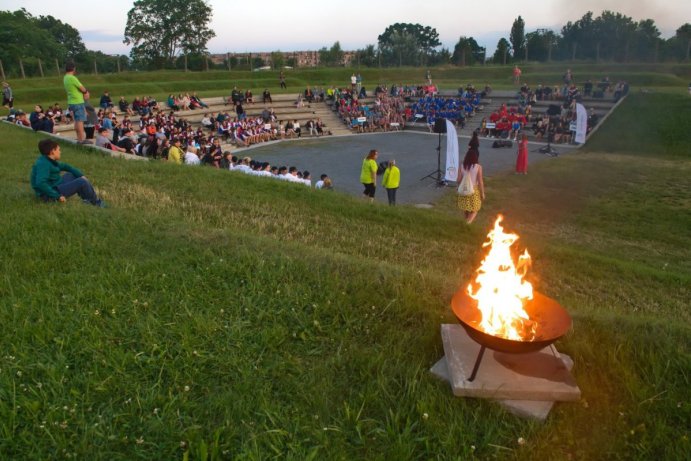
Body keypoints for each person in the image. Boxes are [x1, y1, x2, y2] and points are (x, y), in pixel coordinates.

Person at [30, 139, 104, 206]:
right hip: (48, 195)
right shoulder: (43, 164)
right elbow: (40, 183)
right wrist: (57, 196)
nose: (60, 152)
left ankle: (88, 199)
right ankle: (96, 203)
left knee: (72, 175)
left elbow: (66, 167)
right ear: (52, 151)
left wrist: (81, 175)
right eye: (58, 150)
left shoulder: (49, 160)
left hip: (54, 186)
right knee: (82, 182)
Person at [63, 62, 91, 144]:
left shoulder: (65, 77)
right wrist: (86, 92)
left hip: (71, 101)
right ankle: (82, 139)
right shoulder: (72, 78)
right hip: (77, 101)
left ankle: (79, 139)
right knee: (80, 121)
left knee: (76, 120)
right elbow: (81, 87)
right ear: (73, 68)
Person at [456, 148, 485, 224]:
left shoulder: (462, 165)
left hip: (464, 190)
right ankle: (467, 224)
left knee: (466, 208)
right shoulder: (478, 167)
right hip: (473, 190)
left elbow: (458, 180)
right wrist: (482, 193)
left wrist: (459, 186)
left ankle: (466, 223)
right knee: (475, 209)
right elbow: (480, 181)